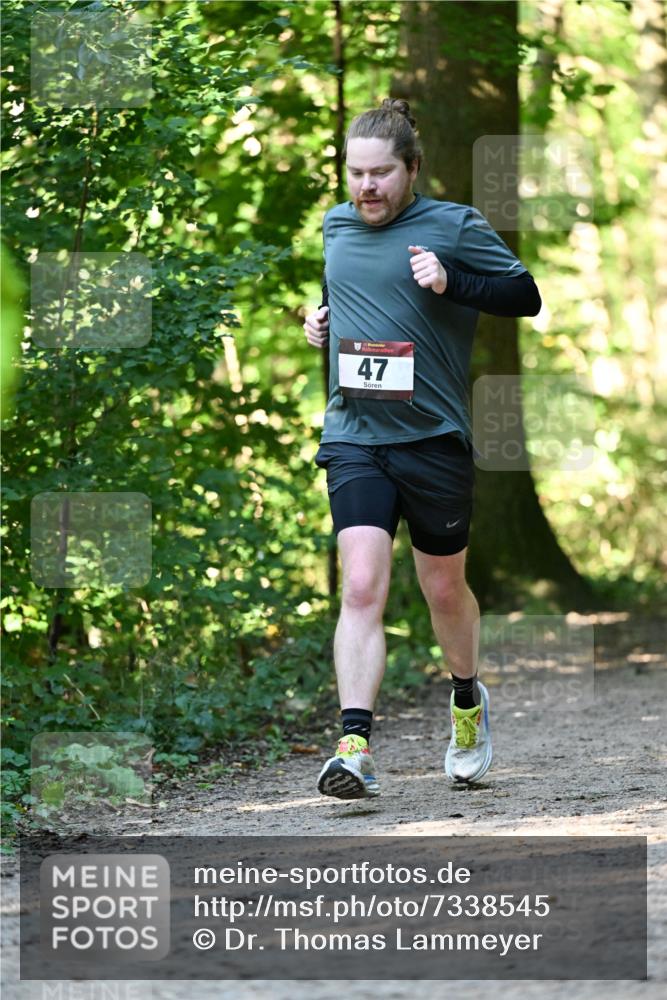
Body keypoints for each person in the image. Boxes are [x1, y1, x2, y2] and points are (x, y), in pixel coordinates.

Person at [303, 98, 541, 799]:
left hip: (433, 438)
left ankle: (466, 701)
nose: (365, 187)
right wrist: (320, 322)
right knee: (360, 584)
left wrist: (450, 281)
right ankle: (353, 747)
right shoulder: (335, 224)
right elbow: (340, 288)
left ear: (411, 169)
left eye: (380, 173)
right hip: (354, 434)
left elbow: (523, 295)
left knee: (441, 587)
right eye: (354, 174)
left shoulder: (453, 225)